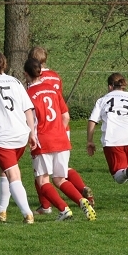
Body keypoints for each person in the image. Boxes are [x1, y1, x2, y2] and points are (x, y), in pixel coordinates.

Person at [24, 58, 96, 221]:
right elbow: (66, 116)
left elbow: (27, 119)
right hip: (61, 138)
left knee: (43, 180)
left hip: (43, 139)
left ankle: (64, 209)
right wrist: (58, 132)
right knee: (60, 178)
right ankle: (81, 200)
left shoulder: (27, 94)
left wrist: (33, 136)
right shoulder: (52, 89)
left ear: (26, 74)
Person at [0, 51, 38, 224]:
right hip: (21, 133)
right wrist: (32, 132)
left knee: (13, 174)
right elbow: (28, 109)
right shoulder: (16, 81)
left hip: (2, 136)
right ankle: (1, 211)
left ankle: (27, 214)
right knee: (4, 169)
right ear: (4, 64)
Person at [87, 73, 128, 210]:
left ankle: (126, 172)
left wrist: (90, 141)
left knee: (118, 175)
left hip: (113, 139)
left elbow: (93, 121)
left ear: (110, 86)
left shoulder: (103, 100)